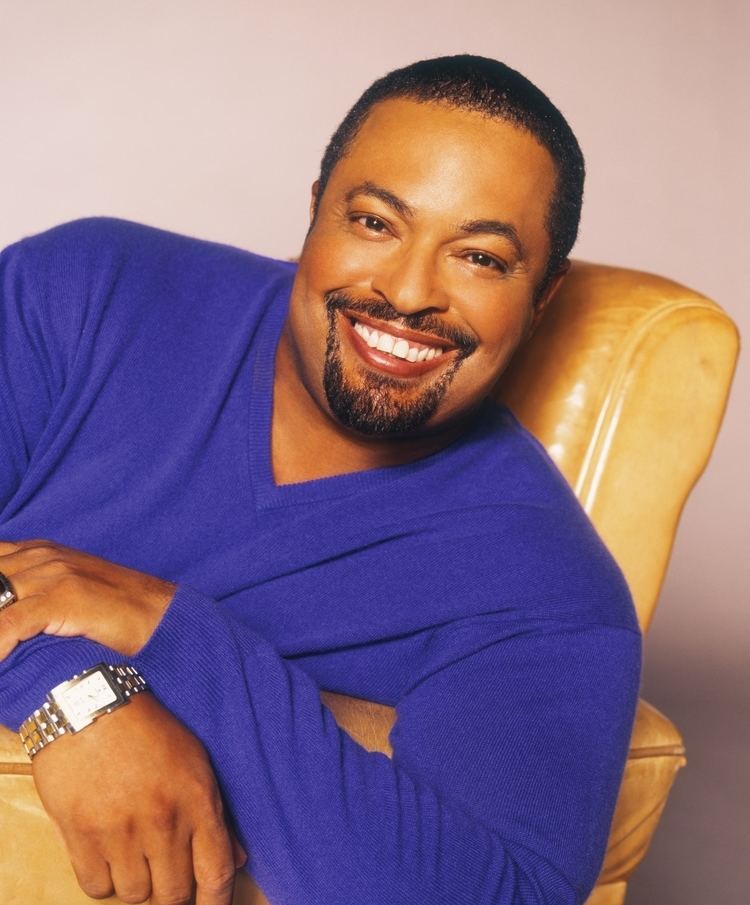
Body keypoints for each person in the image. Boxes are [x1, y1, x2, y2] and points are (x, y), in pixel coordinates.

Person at [0, 55, 641, 905]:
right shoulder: (90, 291)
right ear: (314, 211)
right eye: (375, 222)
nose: (407, 293)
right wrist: (73, 687)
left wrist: (168, 630)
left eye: (480, 258)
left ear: (544, 294)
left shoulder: (545, 589)